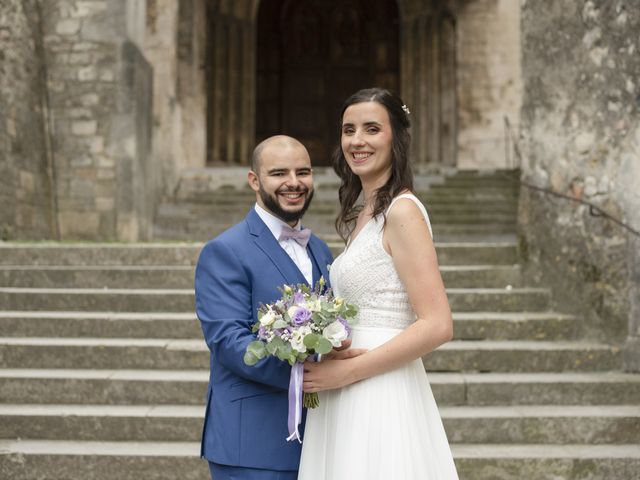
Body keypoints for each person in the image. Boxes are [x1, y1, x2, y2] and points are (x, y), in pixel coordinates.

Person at [298, 88, 459, 479]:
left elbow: (438, 324)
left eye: (372, 128)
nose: (357, 140)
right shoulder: (366, 214)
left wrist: (347, 373)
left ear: (395, 138)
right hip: (350, 387)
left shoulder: (402, 211)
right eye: (348, 129)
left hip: (380, 389)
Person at [194, 135, 335, 480]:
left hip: (322, 439)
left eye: (303, 172)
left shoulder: (320, 249)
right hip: (252, 442)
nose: (294, 183)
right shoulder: (225, 250)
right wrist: (311, 377)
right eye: (279, 173)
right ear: (254, 181)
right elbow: (229, 342)